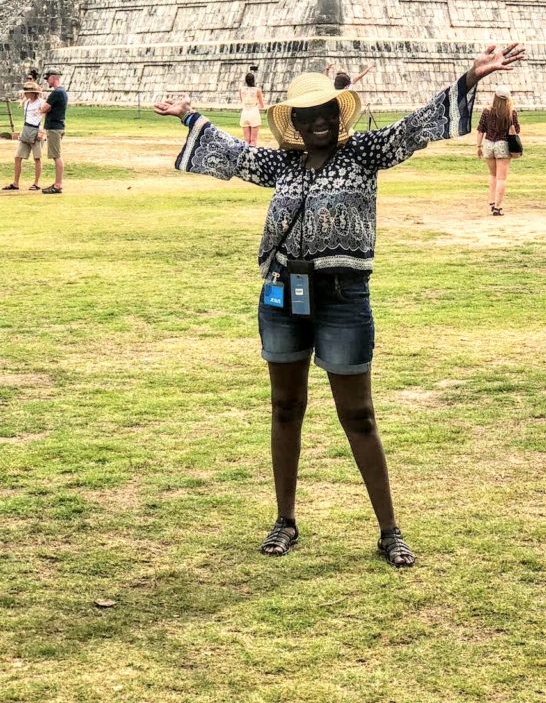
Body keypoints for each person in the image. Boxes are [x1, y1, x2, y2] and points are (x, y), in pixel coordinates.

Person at [154, 43, 525, 569]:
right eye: (307, 117)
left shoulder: (364, 155)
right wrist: (188, 116)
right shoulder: (281, 164)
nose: (319, 123)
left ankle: (389, 530)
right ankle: (284, 520)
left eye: (327, 113)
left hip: (343, 298)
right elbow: (234, 155)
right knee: (285, 408)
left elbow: (415, 128)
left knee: (360, 415)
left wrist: (468, 78)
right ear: (296, 125)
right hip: (283, 293)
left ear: (338, 115)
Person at [476, 86, 521, 217]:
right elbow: (516, 130)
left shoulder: (486, 111)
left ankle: (491, 201)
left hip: (488, 144)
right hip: (503, 144)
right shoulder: (511, 113)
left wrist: (478, 146)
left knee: (492, 175)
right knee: (501, 178)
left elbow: (480, 130)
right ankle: (498, 206)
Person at [3, 81, 45, 192]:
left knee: (37, 158)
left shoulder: (41, 102)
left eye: (28, 92)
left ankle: (36, 183)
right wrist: (22, 132)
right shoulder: (27, 103)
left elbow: (44, 117)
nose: (26, 94)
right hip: (27, 129)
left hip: (37, 129)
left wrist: (42, 132)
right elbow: (27, 118)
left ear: (34, 93)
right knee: (18, 157)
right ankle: (15, 183)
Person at [40, 69, 68, 195]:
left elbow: (44, 108)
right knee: (56, 155)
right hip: (58, 126)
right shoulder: (62, 92)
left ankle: (58, 185)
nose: (47, 81)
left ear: (53, 77)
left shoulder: (56, 93)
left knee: (56, 156)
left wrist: (43, 108)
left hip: (54, 127)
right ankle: (57, 183)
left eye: (48, 78)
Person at [239, 71, 265, 147]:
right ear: (253, 80)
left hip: (245, 113)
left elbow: (242, 101)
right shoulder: (257, 90)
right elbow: (262, 105)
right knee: (253, 141)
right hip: (254, 112)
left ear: (246, 80)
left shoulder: (241, 89)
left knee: (246, 141)